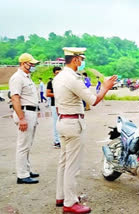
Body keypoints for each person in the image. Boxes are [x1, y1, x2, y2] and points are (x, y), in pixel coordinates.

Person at [53, 47, 117, 213]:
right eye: (81, 59)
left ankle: (62, 196)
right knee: (72, 165)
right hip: (73, 123)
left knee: (64, 162)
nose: (82, 62)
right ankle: (70, 202)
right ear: (74, 60)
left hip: (62, 121)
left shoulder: (58, 77)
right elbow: (93, 100)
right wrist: (106, 87)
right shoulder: (73, 78)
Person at [9, 53, 40, 184]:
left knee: (27, 144)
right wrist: (22, 118)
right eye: (31, 64)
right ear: (23, 63)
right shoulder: (17, 78)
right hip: (25, 112)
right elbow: (15, 98)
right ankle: (22, 175)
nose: (33, 66)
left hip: (31, 112)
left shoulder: (27, 77)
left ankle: (26, 170)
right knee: (23, 145)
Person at [46, 66, 62, 148]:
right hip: (54, 104)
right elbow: (48, 94)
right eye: (57, 73)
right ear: (54, 73)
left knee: (63, 123)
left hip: (63, 105)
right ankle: (57, 141)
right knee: (56, 123)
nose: (58, 74)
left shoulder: (63, 82)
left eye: (60, 72)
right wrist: (58, 95)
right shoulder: (50, 82)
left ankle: (62, 140)